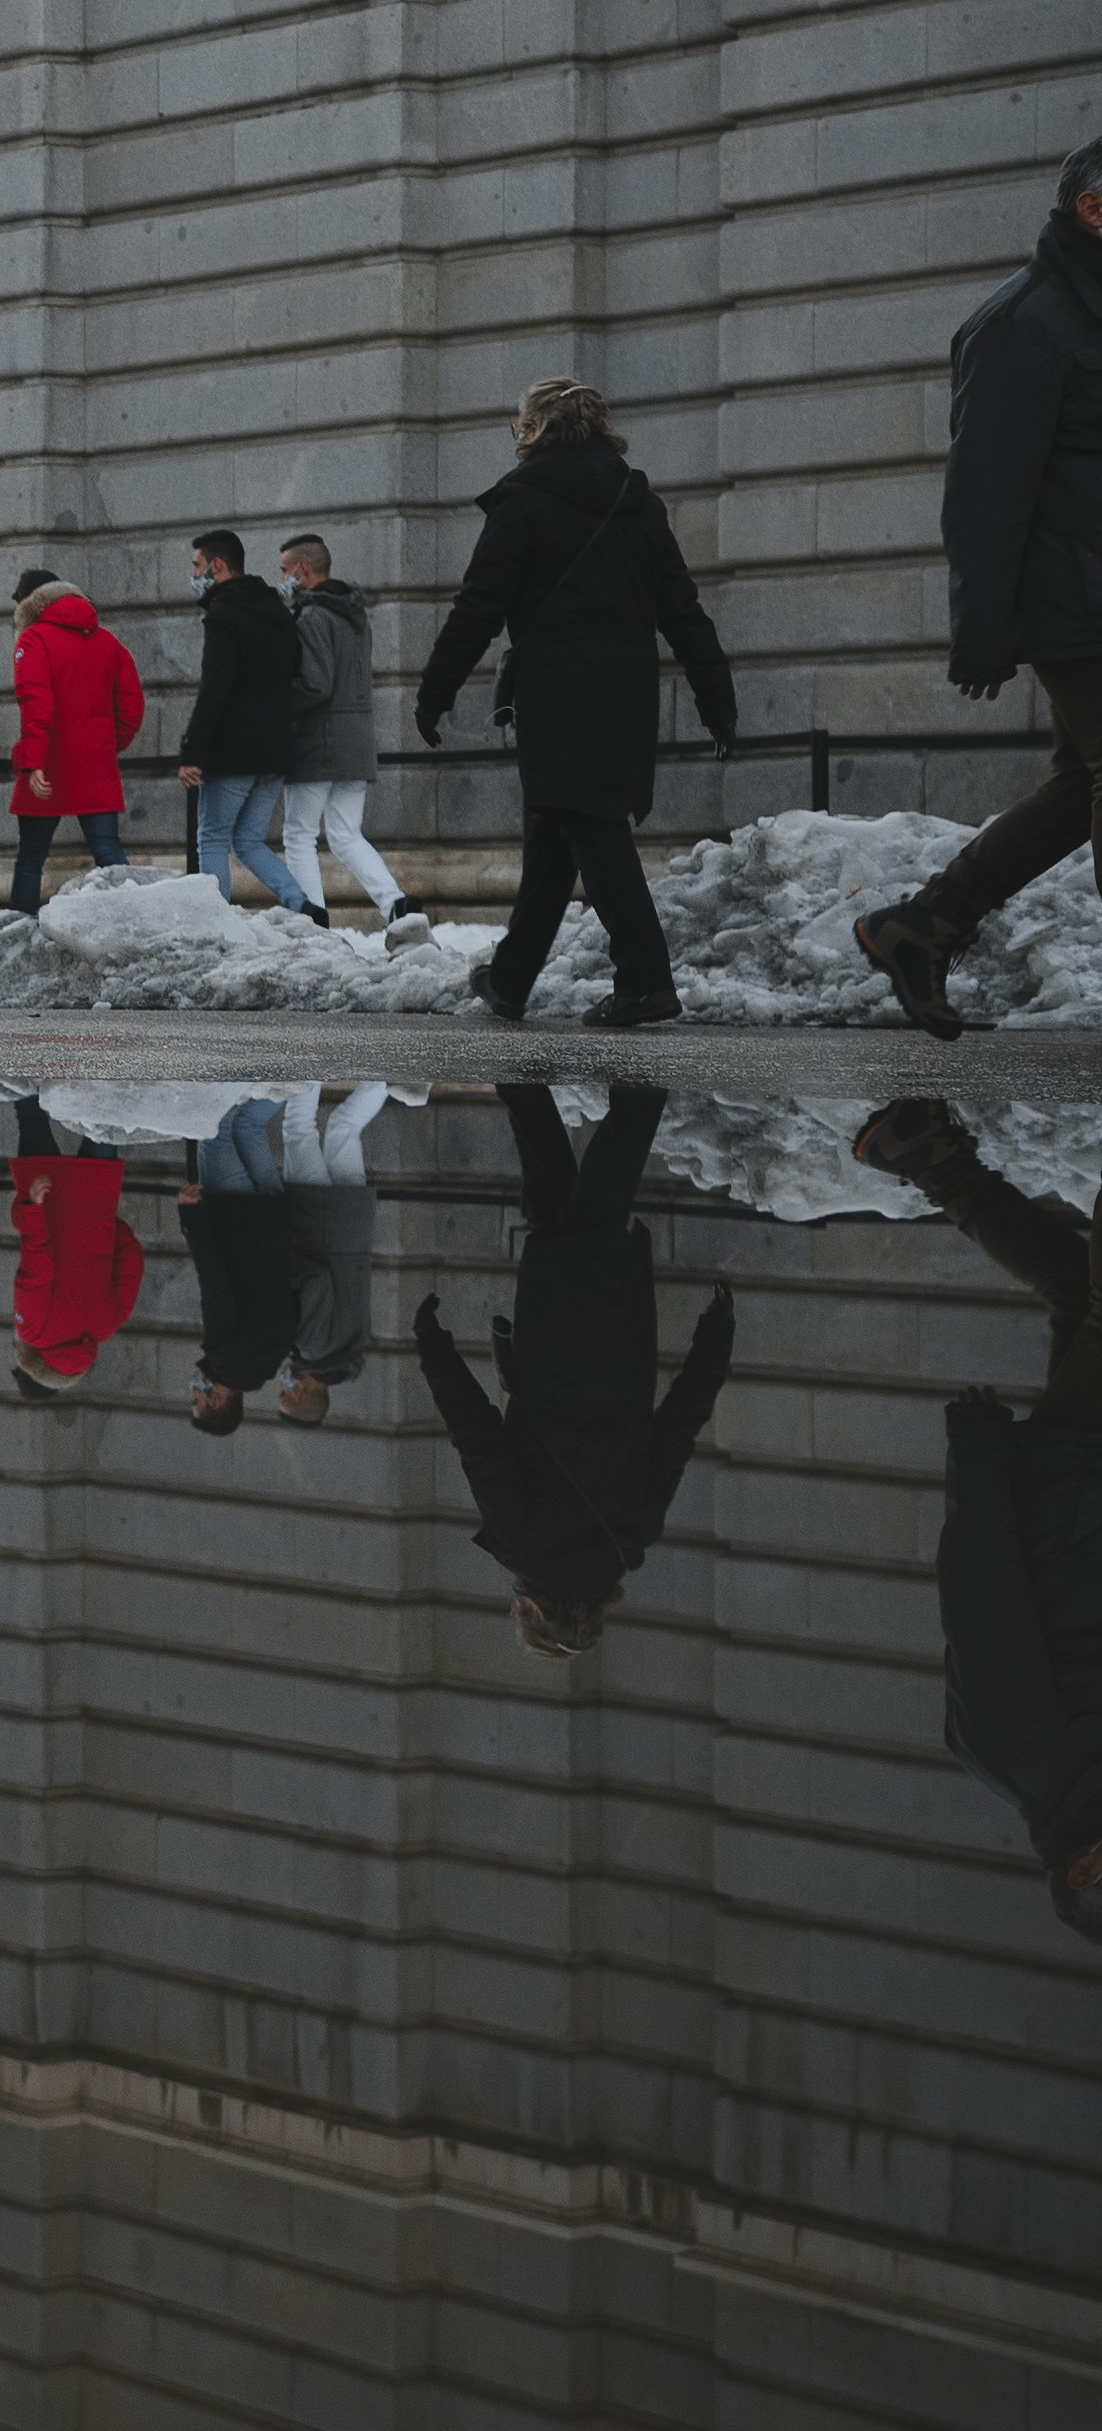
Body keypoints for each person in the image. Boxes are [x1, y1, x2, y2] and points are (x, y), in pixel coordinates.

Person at [856, 136, 1102, 1040]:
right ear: (1095, 210)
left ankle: (921, 926)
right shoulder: (1022, 323)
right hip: (1077, 601)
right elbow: (985, 497)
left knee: (1081, 787)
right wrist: (983, 633)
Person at [416, 373, 736, 1026]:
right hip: (626, 692)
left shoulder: (524, 499)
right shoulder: (637, 504)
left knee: (590, 827)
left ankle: (646, 980)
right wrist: (717, 701)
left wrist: (436, 688)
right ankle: (510, 979)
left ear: (533, 429)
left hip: (556, 691)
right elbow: (683, 611)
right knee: (555, 834)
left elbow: (481, 605)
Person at [854, 1096, 1102, 1937]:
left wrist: (978, 1448)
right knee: (1075, 1293)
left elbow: (981, 1589)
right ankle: (930, 1159)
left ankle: (929, 1159)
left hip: (1067, 1491)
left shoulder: (1017, 1758)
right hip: (1083, 1493)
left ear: (1084, 1868)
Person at [414, 1085, 733, 1652]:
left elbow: (680, 1427)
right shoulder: (520, 1541)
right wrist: (433, 1347)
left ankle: (526, 1080)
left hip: (626, 1356)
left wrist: (716, 1338)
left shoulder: (631, 1538)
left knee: (569, 1217)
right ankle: (639, 1084)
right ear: (532, 1606)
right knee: (587, 1214)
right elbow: (476, 1437)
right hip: (551, 1357)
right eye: (518, 1605)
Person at [178, 531, 320, 914]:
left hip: (235, 749)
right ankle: (301, 904)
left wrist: (193, 749)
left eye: (196, 565)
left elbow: (216, 688)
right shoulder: (278, 612)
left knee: (212, 836)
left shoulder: (223, 617)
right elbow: (292, 674)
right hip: (275, 749)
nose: (193, 574)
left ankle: (216, 923)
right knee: (250, 840)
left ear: (217, 565)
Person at [274, 532, 408, 921]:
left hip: (319, 741)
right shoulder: (355, 615)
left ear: (303, 569)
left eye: (284, 571)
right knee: (347, 834)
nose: (281, 578)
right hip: (356, 741)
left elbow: (316, 684)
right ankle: (395, 904)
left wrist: (276, 700)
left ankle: (312, 921)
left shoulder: (312, 616)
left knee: (298, 834)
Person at [5, 570, 145, 914]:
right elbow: (131, 706)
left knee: (30, 859)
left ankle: (19, 931)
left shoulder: (33, 639)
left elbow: (36, 703)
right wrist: (107, 745)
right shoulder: (109, 642)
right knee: (109, 853)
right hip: (94, 762)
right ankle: (135, 919)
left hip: (48, 762)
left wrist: (34, 760)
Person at [177, 1104, 306, 1431]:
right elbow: (213, 1278)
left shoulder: (275, 1356)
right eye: (197, 1400)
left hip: (273, 1218)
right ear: (217, 1399)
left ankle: (298, 1072)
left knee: (250, 1124)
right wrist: (191, 1220)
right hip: (235, 1215)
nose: (193, 1390)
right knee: (212, 1126)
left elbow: (292, 1292)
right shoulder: (222, 1352)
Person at [269, 1076, 391, 1416]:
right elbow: (315, 1281)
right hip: (319, 1224)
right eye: (285, 1393)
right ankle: (309, 1060)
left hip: (352, 1225)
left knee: (344, 1128)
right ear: (304, 1393)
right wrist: (275, 1262)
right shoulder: (312, 1347)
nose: (282, 1384)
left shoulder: (350, 1350)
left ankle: (384, 1078)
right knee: (298, 1130)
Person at [7, 1111, 142, 1402]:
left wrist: (103, 1226)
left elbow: (131, 1258)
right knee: (32, 1117)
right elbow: (36, 1268)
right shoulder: (33, 1331)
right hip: (45, 1203)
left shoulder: (108, 1325)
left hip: (95, 1196)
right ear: (34, 1366)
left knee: (104, 1115)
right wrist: (32, 1210)